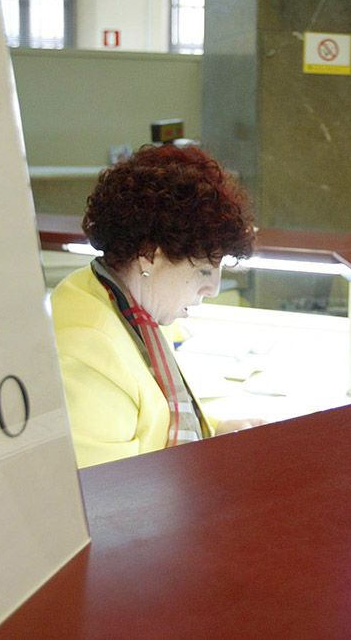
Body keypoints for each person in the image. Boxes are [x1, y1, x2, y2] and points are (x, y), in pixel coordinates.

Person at [50, 143, 258, 468]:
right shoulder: (86, 351)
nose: (213, 288)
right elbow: (106, 502)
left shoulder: (114, 299)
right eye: (203, 268)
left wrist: (215, 431)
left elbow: (154, 417)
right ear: (150, 254)